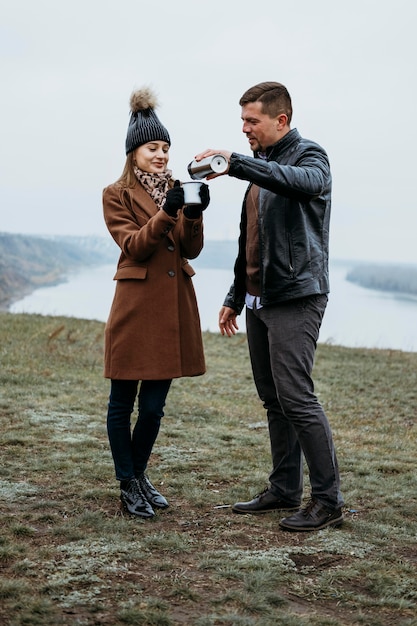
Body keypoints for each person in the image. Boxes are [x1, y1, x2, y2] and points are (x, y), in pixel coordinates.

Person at [194, 81, 344, 532]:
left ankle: (328, 501)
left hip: (298, 295)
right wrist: (235, 297)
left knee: (297, 398)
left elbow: (307, 184)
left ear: (280, 121)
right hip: (260, 299)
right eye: (241, 121)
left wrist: (236, 165)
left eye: (251, 121)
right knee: (273, 399)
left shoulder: (310, 157)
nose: (244, 129)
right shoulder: (261, 168)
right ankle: (283, 489)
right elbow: (251, 242)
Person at [103, 86, 210, 518]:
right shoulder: (116, 194)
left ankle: (140, 473)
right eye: (153, 147)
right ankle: (127, 482)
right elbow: (133, 246)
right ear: (134, 153)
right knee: (121, 404)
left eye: (166, 147)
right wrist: (167, 211)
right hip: (135, 309)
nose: (162, 154)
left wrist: (194, 213)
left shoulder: (177, 189)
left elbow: (189, 249)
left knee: (153, 408)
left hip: (172, 309)